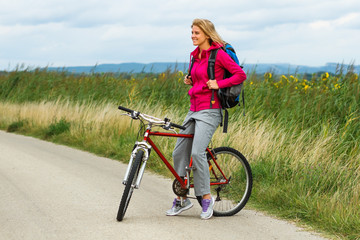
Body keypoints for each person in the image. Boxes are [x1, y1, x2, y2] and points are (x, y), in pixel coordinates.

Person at [166, 19, 247, 220]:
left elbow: (240, 75)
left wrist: (219, 84)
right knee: (179, 152)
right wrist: (190, 80)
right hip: (193, 109)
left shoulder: (218, 54)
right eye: (192, 32)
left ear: (207, 35)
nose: (193, 36)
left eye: (197, 33)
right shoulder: (195, 56)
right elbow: (200, 77)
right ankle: (182, 198)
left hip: (210, 110)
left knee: (197, 152)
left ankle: (207, 199)